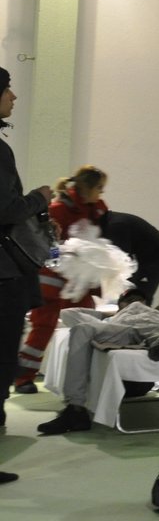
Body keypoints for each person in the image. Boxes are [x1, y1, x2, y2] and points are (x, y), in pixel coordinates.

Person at [37, 288, 159, 435]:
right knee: (81, 329)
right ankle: (75, 409)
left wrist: (156, 309)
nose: (135, 302)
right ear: (120, 304)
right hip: (123, 330)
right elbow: (67, 313)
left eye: (139, 299)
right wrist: (108, 315)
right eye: (129, 300)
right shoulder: (113, 318)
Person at [15, 164, 109, 392]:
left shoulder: (96, 208)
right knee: (43, 327)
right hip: (53, 279)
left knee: (86, 326)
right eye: (99, 188)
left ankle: (82, 378)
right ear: (86, 187)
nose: (102, 193)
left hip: (79, 282)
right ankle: (23, 378)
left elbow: (102, 234)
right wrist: (64, 258)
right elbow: (49, 243)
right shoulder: (57, 208)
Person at [0, 66, 53, 446]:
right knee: (3, 354)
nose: (13, 97)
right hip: (3, 274)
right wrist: (39, 198)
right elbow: (6, 210)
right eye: (8, 90)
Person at [100, 210, 159, 301]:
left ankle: (142, 311)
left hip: (156, 259)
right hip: (148, 257)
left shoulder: (115, 226)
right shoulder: (108, 222)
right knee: (132, 295)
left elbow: (124, 263)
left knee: (135, 296)